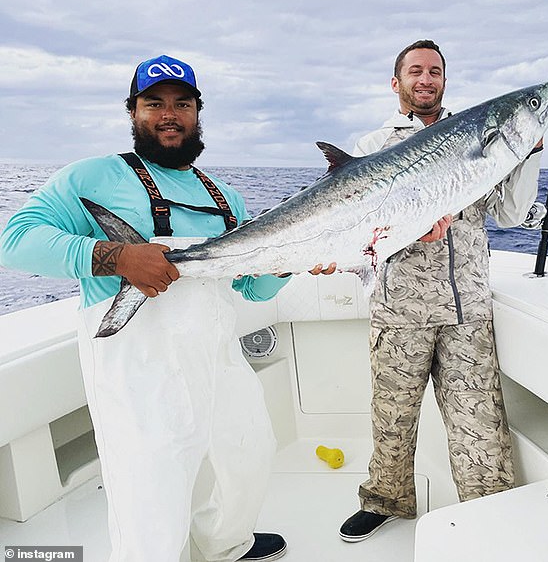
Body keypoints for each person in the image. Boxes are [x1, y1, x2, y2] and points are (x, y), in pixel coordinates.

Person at [0, 54, 334, 562]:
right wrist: (117, 256)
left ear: (199, 112)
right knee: (151, 487)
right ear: (133, 111)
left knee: (248, 453)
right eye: (154, 103)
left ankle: (226, 544)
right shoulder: (91, 177)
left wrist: (290, 262)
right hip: (136, 361)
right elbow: (14, 239)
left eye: (182, 103)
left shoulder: (223, 195)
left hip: (217, 354)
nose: (168, 114)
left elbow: (253, 290)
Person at [339, 40, 545, 542]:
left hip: (467, 308)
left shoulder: (481, 136)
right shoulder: (371, 145)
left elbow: (512, 216)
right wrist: (409, 230)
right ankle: (385, 499)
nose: (426, 79)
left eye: (435, 71)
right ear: (397, 82)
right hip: (398, 309)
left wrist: (525, 155)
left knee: (481, 425)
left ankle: (490, 510)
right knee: (392, 418)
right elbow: (356, 228)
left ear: (444, 81)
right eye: (415, 71)